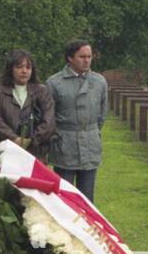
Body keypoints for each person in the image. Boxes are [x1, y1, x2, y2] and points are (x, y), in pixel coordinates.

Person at [46, 39, 108, 202]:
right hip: (65, 146)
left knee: (87, 199)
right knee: (64, 198)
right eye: (82, 57)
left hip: (90, 144)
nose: (87, 60)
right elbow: (48, 116)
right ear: (70, 58)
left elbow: (102, 114)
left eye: (89, 56)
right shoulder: (54, 83)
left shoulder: (99, 81)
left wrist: (90, 132)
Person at [0, 49, 57, 162]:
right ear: (11, 69)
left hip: (36, 154)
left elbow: (49, 121)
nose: (24, 71)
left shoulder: (42, 91)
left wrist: (30, 141)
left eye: (28, 67)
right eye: (19, 67)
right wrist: (14, 139)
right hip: (6, 153)